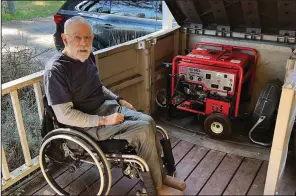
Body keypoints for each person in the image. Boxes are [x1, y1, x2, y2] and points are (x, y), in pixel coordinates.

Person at [44, 16, 186, 195]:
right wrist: (104, 120)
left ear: (92, 38)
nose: (83, 42)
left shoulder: (88, 56)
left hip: (105, 108)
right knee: (142, 130)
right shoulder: (56, 71)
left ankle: (162, 177)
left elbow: (98, 87)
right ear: (65, 39)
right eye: (77, 37)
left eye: (88, 37)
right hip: (84, 127)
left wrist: (119, 99)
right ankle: (156, 189)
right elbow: (64, 115)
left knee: (149, 121)